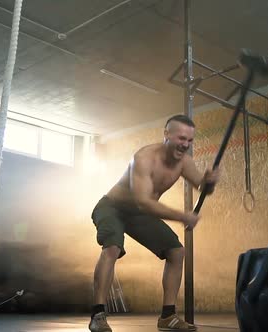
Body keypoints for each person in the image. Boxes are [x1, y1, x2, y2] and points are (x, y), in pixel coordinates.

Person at [88, 115, 221, 332]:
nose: (185, 144)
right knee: (112, 247)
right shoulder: (144, 158)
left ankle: (168, 316)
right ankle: (98, 315)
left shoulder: (184, 162)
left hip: (138, 215)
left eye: (189, 140)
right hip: (112, 207)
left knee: (177, 252)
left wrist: (209, 182)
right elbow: (144, 203)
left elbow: (203, 188)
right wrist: (182, 216)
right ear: (166, 134)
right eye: (181, 138)